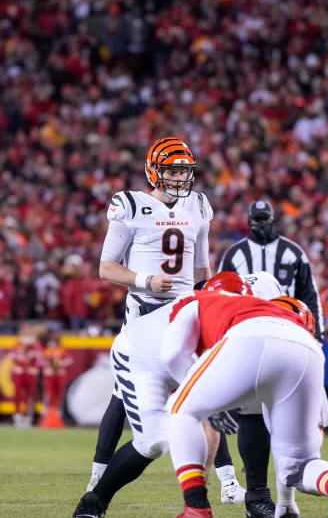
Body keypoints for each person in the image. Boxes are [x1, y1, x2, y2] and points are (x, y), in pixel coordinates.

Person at [73, 272, 274, 518]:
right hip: (140, 356)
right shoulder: (195, 317)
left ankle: (255, 499)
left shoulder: (262, 291)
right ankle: (92, 503)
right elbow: (178, 365)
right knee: (153, 442)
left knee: (246, 403)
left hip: (178, 355)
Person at [85, 137, 222, 494]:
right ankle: (99, 476)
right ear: (154, 171)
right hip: (144, 312)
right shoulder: (130, 204)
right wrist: (146, 280)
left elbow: (202, 269)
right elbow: (106, 268)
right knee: (121, 394)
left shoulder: (199, 205)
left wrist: (208, 303)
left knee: (205, 392)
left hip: (185, 312)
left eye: (184, 170)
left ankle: (220, 483)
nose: (179, 177)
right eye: (172, 170)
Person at [160, 287, 328, 518]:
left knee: (180, 408)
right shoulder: (297, 326)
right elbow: (289, 443)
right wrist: (286, 504)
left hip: (250, 336)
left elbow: (172, 356)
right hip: (307, 352)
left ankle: (195, 507)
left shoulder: (193, 301)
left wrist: (207, 401)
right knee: (300, 463)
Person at [217, 198, 321, 513]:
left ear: (272, 219)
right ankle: (263, 492)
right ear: (249, 220)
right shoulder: (234, 255)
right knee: (256, 413)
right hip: (254, 335)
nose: (260, 223)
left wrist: (316, 338)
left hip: (280, 333)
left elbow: (309, 295)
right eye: (256, 218)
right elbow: (218, 292)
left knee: (279, 416)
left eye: (265, 218)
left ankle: (267, 492)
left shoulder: (292, 253)